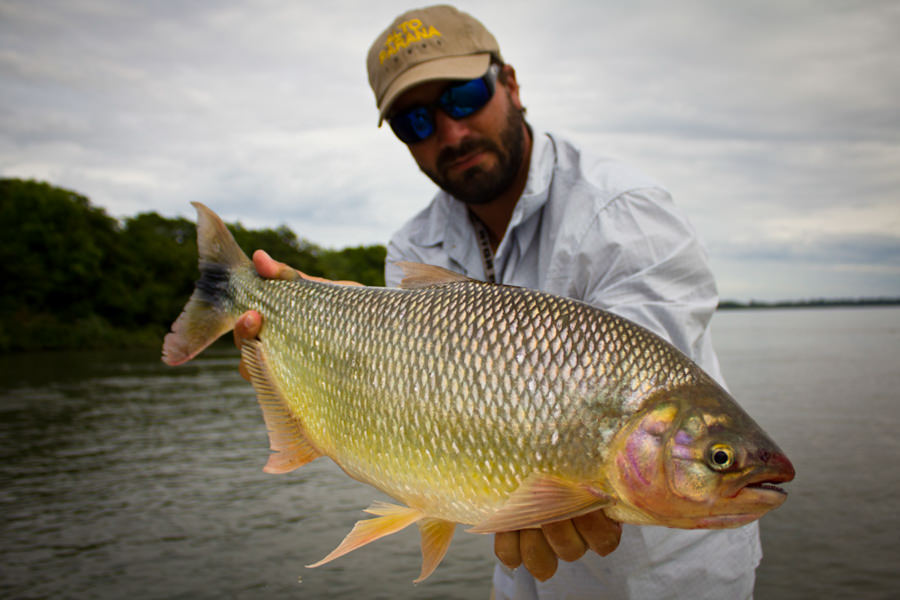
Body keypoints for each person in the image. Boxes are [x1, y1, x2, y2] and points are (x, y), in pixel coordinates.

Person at [235, 5, 762, 598]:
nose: (451, 132)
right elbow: (412, 417)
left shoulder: (625, 213)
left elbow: (628, 392)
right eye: (415, 121)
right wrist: (327, 336)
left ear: (509, 83)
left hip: (668, 573)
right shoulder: (415, 243)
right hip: (520, 572)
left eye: (462, 97)